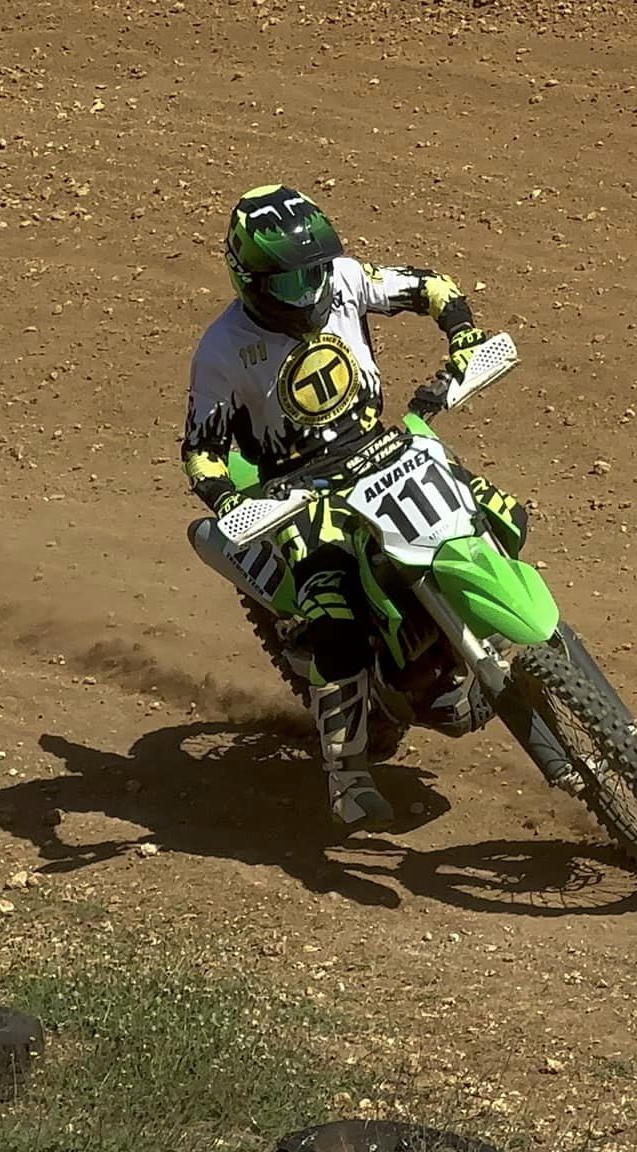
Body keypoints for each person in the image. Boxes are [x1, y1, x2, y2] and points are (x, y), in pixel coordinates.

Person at [180, 183, 492, 832]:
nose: (309, 290)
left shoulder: (347, 280)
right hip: (296, 489)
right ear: (250, 278)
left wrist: (464, 334)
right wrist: (231, 501)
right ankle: (348, 772)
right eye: (291, 281)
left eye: (315, 272)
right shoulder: (221, 349)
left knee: (492, 512)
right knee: (337, 618)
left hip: (380, 449)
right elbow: (203, 454)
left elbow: (432, 286)